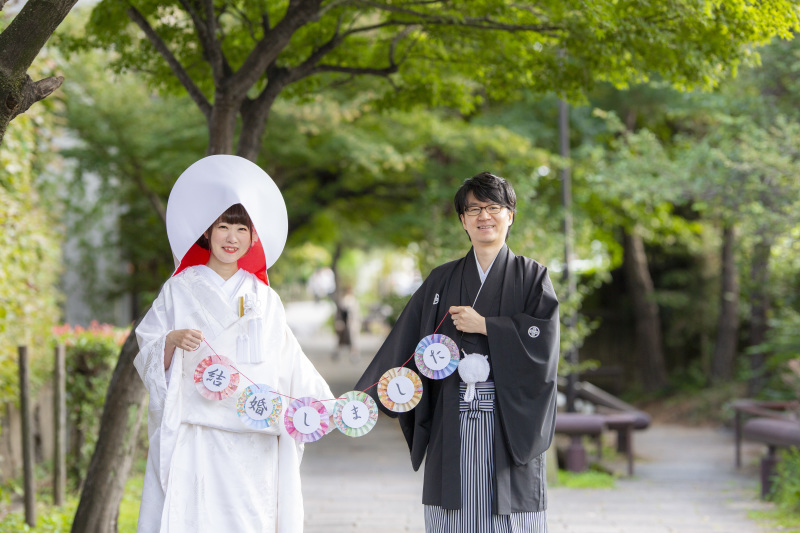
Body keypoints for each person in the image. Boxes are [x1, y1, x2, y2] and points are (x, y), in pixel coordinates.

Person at [134, 155, 333, 533]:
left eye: (241, 229)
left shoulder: (265, 297)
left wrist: (323, 405)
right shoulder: (180, 287)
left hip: (254, 432)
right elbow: (147, 346)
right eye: (223, 226)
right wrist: (172, 340)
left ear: (254, 237)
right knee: (198, 518)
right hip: (199, 433)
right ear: (206, 232)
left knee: (252, 519)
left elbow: (289, 359)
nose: (231, 237)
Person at [355, 171, 559, 532]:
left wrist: (487, 326)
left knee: (510, 514)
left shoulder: (533, 277)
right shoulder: (441, 279)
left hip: (508, 421)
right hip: (452, 414)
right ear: (463, 221)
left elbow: (543, 345)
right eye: (474, 209)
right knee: (454, 514)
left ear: (510, 215)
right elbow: (404, 345)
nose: (485, 216)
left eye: (494, 207)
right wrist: (365, 398)